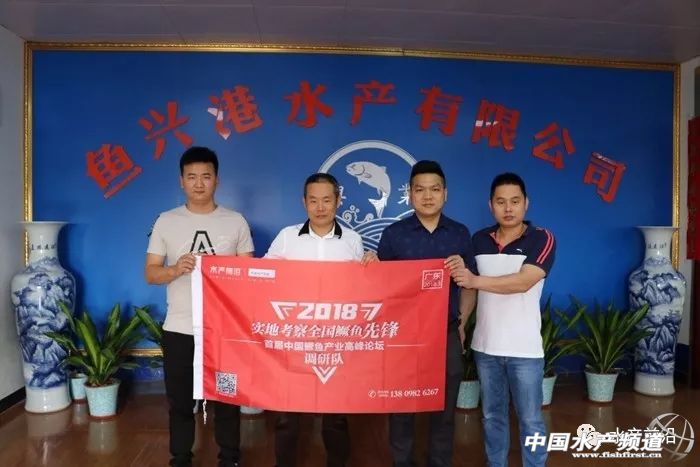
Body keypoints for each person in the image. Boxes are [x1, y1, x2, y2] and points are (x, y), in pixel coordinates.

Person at [145, 146, 254, 467]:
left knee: (227, 398)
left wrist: (224, 269)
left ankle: (230, 457)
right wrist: (174, 269)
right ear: (181, 181)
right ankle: (180, 457)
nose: (199, 183)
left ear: (217, 180)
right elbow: (151, 273)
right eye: (191, 177)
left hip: (224, 330)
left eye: (206, 176)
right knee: (180, 401)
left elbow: (250, 275)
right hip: (180, 328)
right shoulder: (166, 221)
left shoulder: (235, 221)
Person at [266, 172, 375, 467]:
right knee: (287, 414)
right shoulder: (287, 237)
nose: (320, 207)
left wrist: (372, 264)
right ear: (304, 202)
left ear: (338, 201)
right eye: (313, 200)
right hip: (295, 339)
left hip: (335, 340)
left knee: (336, 416)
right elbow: (265, 279)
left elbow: (363, 287)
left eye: (327, 200)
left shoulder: (352, 240)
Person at [451, 172, 555, 467]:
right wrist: (462, 322)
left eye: (515, 201)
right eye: (501, 202)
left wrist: (475, 279)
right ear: (491, 205)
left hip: (525, 350)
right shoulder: (479, 240)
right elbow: (469, 287)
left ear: (526, 203)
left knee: (531, 419)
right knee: (491, 416)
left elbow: (523, 281)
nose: (508, 208)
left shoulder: (542, 238)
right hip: (486, 348)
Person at [377, 160, 477, 467]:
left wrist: (461, 323)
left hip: (445, 333)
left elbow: (469, 285)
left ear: (445, 193)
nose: (428, 196)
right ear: (410, 194)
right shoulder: (394, 234)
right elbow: (380, 286)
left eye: (435, 189)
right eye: (420, 190)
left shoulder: (459, 234)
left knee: (444, 408)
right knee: (401, 408)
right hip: (403, 336)